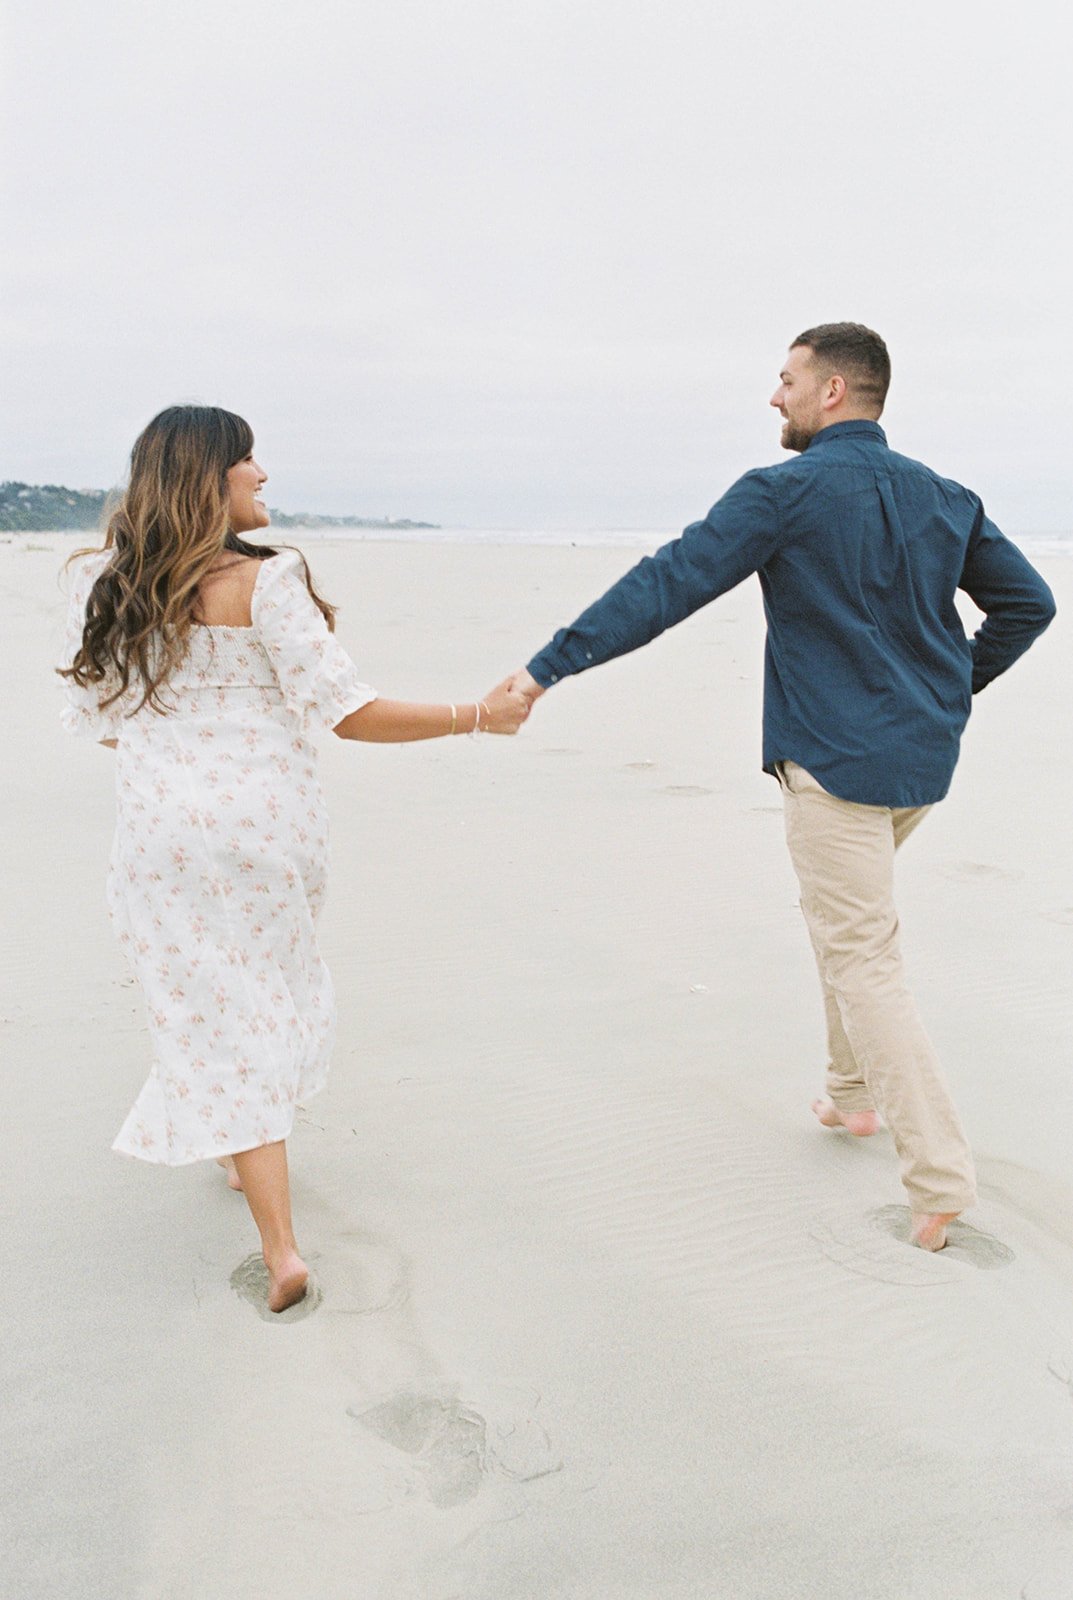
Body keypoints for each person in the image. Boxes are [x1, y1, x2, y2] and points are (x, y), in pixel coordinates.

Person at [505, 323, 1056, 1251]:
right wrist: (953, 685)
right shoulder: (944, 496)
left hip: (834, 767)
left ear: (832, 390)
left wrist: (545, 669)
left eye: (786, 379)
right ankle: (850, 1098)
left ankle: (939, 1182)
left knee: (862, 955)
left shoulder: (783, 492)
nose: (774, 396)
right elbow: (1027, 604)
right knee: (844, 925)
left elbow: (669, 581)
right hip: (920, 765)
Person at [59, 405, 530, 1311]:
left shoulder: (115, 586)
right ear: (211, 479)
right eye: (246, 461)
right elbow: (347, 712)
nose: (262, 473)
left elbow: (107, 726)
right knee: (263, 996)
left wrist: (182, 762)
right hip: (265, 829)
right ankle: (280, 1248)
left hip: (160, 833)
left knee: (203, 1004)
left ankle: (249, 1165)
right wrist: (475, 716)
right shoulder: (268, 580)